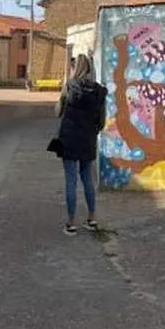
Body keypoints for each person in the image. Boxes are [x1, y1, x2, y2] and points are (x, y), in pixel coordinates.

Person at [55, 54, 107, 236]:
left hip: (68, 139)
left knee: (71, 180)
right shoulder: (99, 92)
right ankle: (91, 219)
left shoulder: (69, 86)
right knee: (87, 179)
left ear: (75, 68)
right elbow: (102, 122)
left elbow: (57, 112)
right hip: (88, 140)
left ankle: (71, 223)